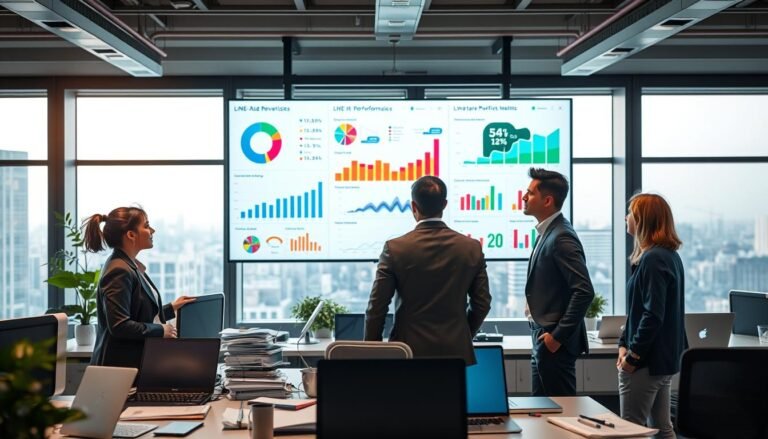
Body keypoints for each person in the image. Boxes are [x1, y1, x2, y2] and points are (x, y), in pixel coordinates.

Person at [364, 176, 491, 365]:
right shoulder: (471, 248)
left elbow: (377, 308)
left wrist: (371, 355)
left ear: (413, 206)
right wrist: (461, 335)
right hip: (455, 354)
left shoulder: (395, 249)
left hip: (407, 354)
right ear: (445, 205)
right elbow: (482, 304)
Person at [83, 206, 195, 369]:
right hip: (118, 370)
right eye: (146, 225)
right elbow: (119, 326)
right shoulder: (119, 270)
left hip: (128, 366)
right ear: (131, 235)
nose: (152, 230)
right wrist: (160, 330)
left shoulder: (128, 265)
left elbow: (137, 313)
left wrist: (171, 308)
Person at [618, 193, 687, 438]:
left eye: (631, 214)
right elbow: (640, 311)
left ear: (643, 220)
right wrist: (623, 344)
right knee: (662, 426)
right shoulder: (669, 256)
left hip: (646, 360)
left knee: (631, 429)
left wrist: (633, 356)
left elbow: (652, 315)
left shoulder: (653, 259)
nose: (626, 218)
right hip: (662, 360)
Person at [523, 167, 594, 396]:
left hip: (554, 342)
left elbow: (584, 291)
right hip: (545, 338)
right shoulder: (549, 231)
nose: (524, 197)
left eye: (530, 193)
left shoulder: (561, 236)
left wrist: (556, 337)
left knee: (561, 415)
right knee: (543, 413)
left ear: (548, 200)